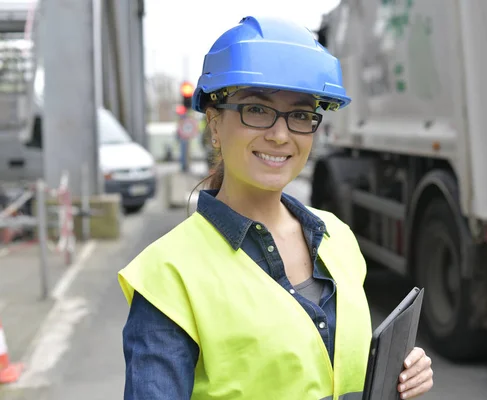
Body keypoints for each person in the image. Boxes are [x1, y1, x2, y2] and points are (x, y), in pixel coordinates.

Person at [118, 16, 434, 400]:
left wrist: (394, 378)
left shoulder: (338, 238)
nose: (281, 134)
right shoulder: (168, 277)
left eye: (301, 115)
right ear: (215, 125)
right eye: (257, 110)